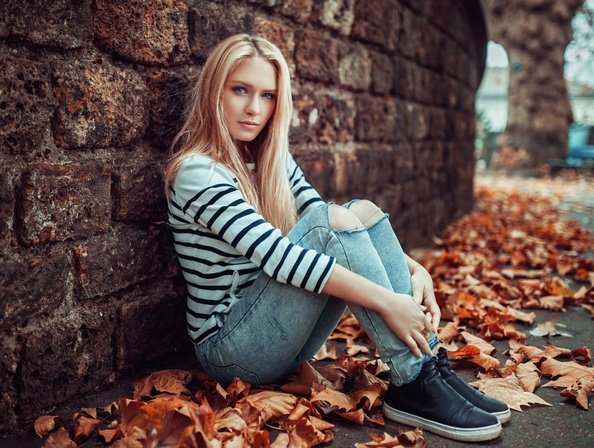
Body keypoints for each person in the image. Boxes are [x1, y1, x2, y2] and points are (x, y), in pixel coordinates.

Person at [164, 34, 510, 443]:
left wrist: (417, 270)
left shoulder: (268, 159)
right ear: (214, 91)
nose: (254, 108)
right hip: (231, 351)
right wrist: (389, 302)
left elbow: (334, 218)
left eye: (268, 96)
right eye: (240, 90)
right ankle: (413, 378)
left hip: (279, 339)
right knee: (329, 224)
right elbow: (284, 256)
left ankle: (427, 363)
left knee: (359, 211)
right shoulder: (197, 173)